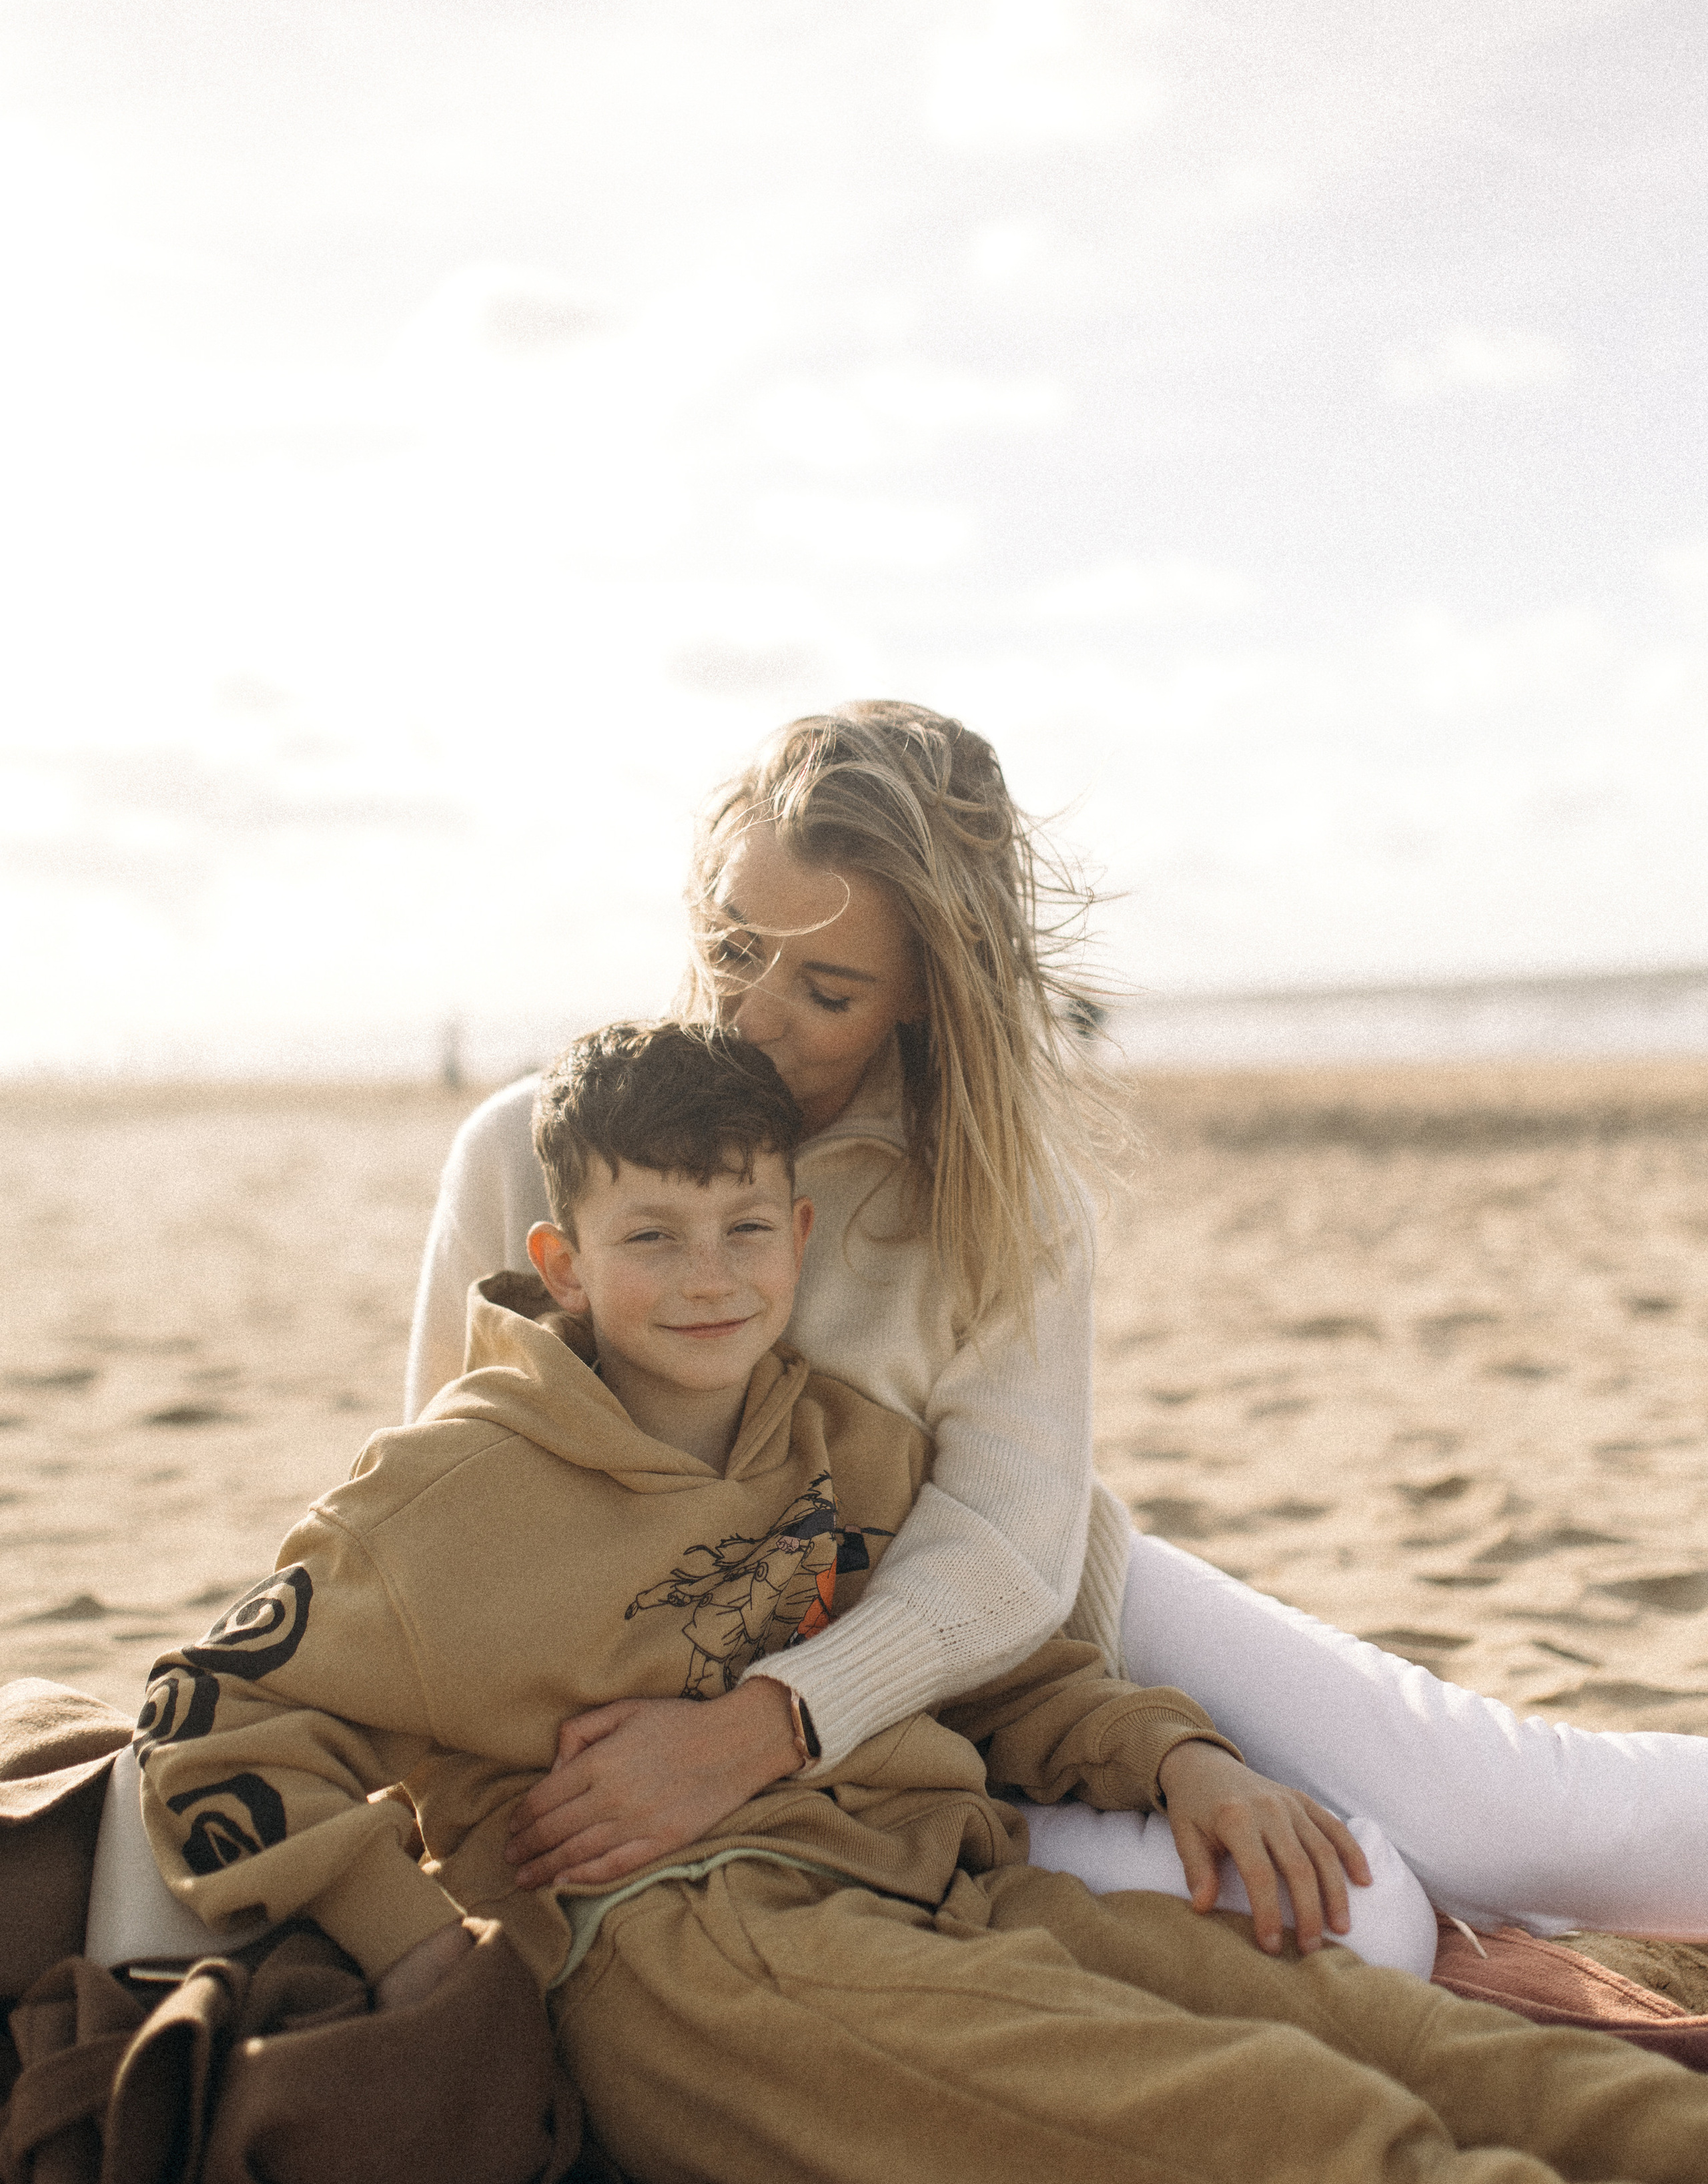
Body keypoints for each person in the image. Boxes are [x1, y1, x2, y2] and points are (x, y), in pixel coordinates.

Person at [137, 1020, 1708, 2184]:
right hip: (687, 1959)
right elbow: (209, 1718)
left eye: (744, 1231)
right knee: (1241, 2127)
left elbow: (997, 1659)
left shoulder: (833, 1443)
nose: (708, 1278)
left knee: (1364, 2029)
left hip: (933, 1881)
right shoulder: (443, 1498)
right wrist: (425, 1954)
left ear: (800, 1235)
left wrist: (1179, 1761)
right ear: (560, 1258)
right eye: (654, 1237)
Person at [412, 702, 1708, 1942]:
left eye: (826, 987)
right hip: (825, 1718)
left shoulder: (1004, 1200)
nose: (751, 1013)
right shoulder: (522, 1157)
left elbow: (1000, 1554)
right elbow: (440, 1509)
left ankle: (1501, 1871)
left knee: (1504, 1806)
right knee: (1363, 1918)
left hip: (1026, 1627)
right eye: (736, 945)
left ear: (923, 990)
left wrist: (767, 1725)